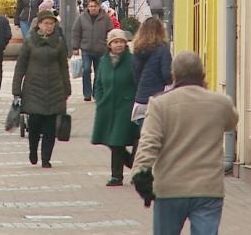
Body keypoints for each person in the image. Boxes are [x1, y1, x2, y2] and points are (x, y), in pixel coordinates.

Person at [131, 51, 238, 235]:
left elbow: (149, 142)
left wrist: (141, 172)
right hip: (208, 188)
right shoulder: (221, 103)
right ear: (203, 74)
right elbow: (231, 123)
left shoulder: (159, 104)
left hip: (170, 188)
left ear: (174, 75)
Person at [12, 10, 70, 168]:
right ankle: (33, 150)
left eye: (52, 24)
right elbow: (20, 66)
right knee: (35, 124)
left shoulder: (58, 42)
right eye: (46, 23)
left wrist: (67, 88)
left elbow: (64, 66)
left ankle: (46, 158)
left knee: (50, 127)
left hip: (54, 88)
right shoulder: (30, 41)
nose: (49, 27)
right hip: (33, 88)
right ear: (39, 25)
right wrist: (16, 89)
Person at [91, 29, 139, 187]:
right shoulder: (104, 61)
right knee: (110, 140)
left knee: (118, 140)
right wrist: (99, 99)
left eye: (121, 42)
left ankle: (116, 176)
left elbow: (138, 82)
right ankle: (132, 163)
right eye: (115, 42)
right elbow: (98, 83)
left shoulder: (132, 61)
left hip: (126, 105)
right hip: (107, 105)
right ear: (109, 45)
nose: (118, 45)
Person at [71, 0, 114, 101]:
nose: (93, 8)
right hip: (86, 49)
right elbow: (76, 32)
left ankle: (96, 92)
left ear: (99, 7)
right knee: (86, 70)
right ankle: (87, 93)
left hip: (101, 50)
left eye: (95, 6)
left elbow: (111, 32)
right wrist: (75, 47)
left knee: (99, 72)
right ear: (88, 7)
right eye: (91, 6)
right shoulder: (82, 18)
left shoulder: (106, 18)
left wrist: (110, 46)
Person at [132, 17, 173, 126]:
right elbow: (166, 74)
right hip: (157, 99)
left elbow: (135, 74)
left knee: (145, 136)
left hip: (141, 100)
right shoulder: (163, 49)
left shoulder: (137, 49)